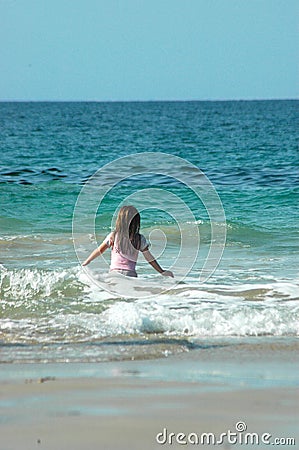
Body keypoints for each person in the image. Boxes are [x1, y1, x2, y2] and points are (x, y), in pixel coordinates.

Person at [82, 205, 174, 278]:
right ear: (136, 222)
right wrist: (162, 271)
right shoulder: (139, 239)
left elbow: (100, 250)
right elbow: (150, 259)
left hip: (114, 274)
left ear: (119, 221)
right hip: (130, 274)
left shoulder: (113, 236)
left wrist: (87, 261)